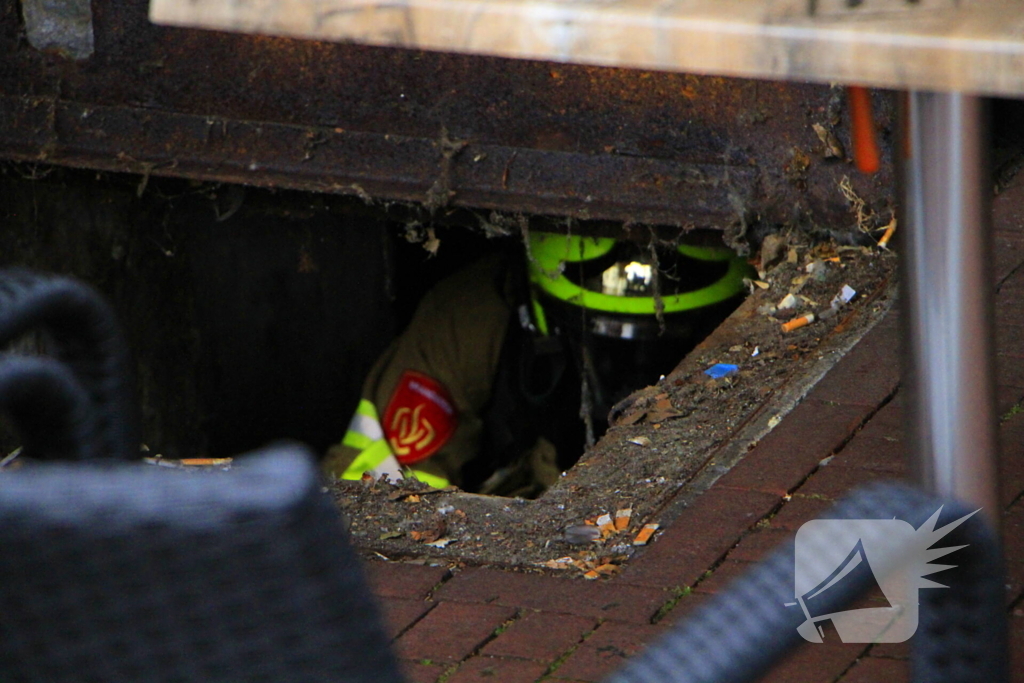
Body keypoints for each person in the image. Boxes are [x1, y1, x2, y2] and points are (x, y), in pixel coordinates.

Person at [322, 231, 751, 497]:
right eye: (602, 340)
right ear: (543, 316)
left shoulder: (754, 340)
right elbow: (380, 488)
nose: (632, 375)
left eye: (665, 341)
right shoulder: (472, 321)